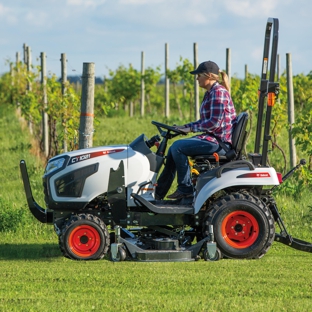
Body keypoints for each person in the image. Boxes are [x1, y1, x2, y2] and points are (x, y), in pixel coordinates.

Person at [156, 60, 237, 200]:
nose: (197, 78)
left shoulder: (218, 93)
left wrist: (190, 129)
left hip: (219, 143)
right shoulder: (210, 93)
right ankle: (158, 194)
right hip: (213, 139)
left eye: (199, 75)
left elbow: (214, 123)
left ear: (209, 76)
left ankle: (185, 189)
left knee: (178, 148)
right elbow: (204, 121)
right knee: (173, 149)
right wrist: (185, 127)